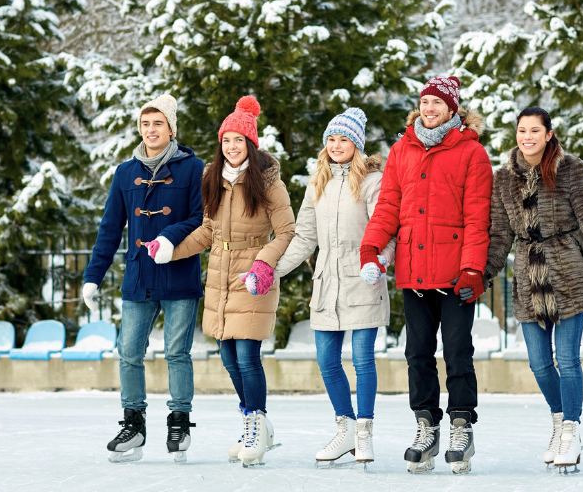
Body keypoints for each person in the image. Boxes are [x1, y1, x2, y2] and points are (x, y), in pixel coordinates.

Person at [149, 95, 296, 467]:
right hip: (220, 275)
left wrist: (264, 264)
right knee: (229, 358)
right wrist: (172, 249)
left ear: (251, 143)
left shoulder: (267, 182)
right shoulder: (213, 179)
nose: (232, 147)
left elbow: (287, 232)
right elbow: (207, 232)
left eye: (239, 140)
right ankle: (253, 421)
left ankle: (257, 426)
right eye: (226, 140)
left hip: (252, 276)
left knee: (247, 355)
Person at [358, 76, 493, 474]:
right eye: (425, 102)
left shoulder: (472, 153)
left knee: (456, 352)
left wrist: (472, 269)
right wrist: (372, 246)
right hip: (414, 272)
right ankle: (426, 425)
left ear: (453, 109)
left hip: (455, 276)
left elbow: (477, 218)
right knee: (417, 354)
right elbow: (388, 207)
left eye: (438, 102)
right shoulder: (402, 150)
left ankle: (461, 424)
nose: (430, 108)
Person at [484, 107, 583, 474]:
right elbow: (500, 235)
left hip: (569, 273)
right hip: (528, 279)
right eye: (522, 130)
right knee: (538, 362)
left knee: (567, 360)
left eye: (535, 130)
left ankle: (571, 430)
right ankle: (558, 419)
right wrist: (482, 275)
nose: (527, 136)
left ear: (549, 134)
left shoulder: (571, 170)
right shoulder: (503, 179)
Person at [80, 93, 206, 464]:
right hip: (138, 276)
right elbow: (109, 229)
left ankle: (179, 421)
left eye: (158, 123)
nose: (151, 130)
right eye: (145, 124)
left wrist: (169, 236)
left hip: (179, 274)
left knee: (176, 352)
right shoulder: (125, 172)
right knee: (129, 352)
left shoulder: (193, 168)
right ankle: (133, 423)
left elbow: (202, 218)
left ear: (171, 129)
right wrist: (93, 276)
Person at [275, 108, 394, 467]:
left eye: (344, 139)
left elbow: (388, 230)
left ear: (356, 144)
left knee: (361, 359)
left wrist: (379, 262)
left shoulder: (373, 181)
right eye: (331, 139)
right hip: (327, 284)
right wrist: (274, 271)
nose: (336, 145)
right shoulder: (317, 183)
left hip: (363, 279)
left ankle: (363, 433)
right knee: (327, 360)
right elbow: (304, 237)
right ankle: (344, 428)